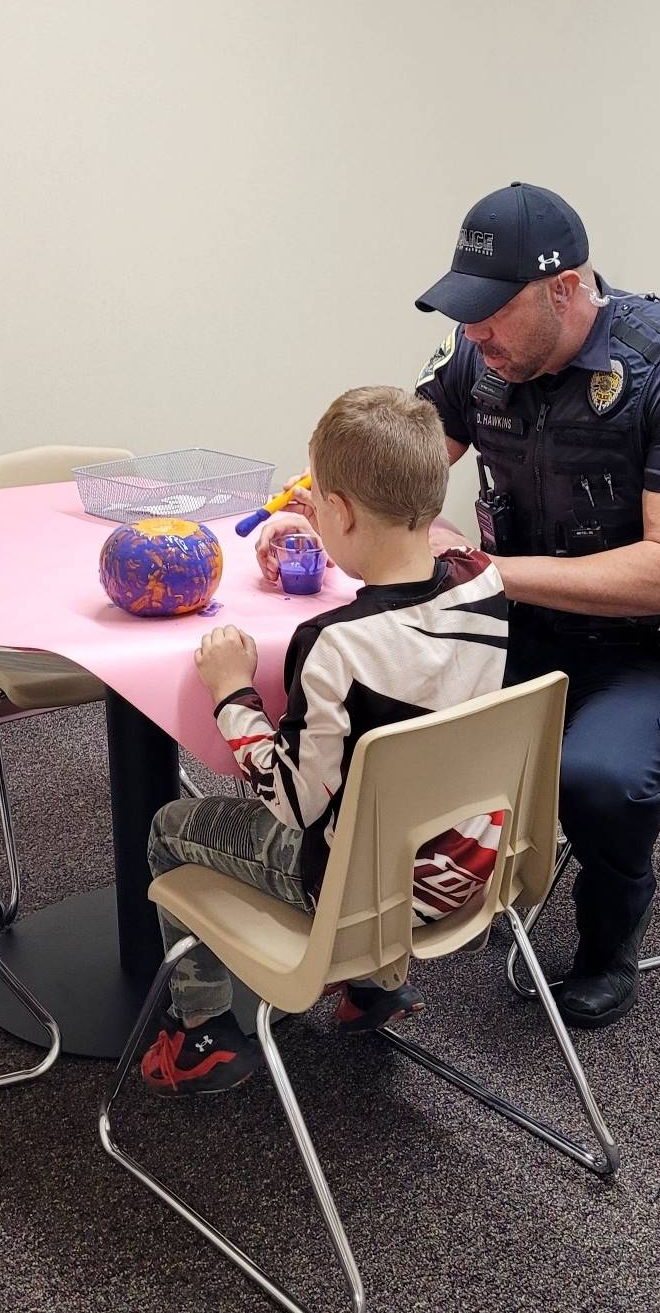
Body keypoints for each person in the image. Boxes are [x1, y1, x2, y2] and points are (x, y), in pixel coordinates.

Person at [408, 181, 660, 1029]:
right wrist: (328, 503)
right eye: (469, 314)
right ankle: (461, 880)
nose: (476, 334)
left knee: (594, 776)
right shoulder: (482, 357)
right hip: (528, 626)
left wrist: (488, 571)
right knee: (395, 700)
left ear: (566, 288)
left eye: (493, 313)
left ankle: (611, 933)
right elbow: (402, 463)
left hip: (655, 649)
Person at [141, 386, 509, 1096]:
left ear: (338, 509)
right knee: (385, 789)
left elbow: (291, 801)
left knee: (168, 826)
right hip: (468, 865)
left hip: (363, 893)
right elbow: (407, 585)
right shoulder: (483, 580)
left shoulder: (332, 647)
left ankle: (202, 1034)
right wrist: (345, 535)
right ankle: (374, 989)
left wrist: (232, 691)